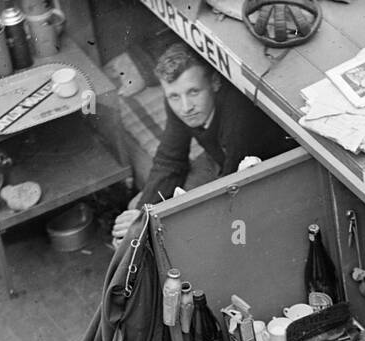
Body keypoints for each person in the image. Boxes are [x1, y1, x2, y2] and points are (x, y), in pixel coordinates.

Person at [111, 43, 295, 244]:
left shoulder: (239, 117)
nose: (185, 107)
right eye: (174, 96)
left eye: (193, 92)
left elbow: (229, 191)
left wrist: (148, 222)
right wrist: (142, 213)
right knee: (135, 207)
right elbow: (169, 160)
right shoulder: (180, 102)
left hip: (260, 175)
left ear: (215, 83)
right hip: (221, 160)